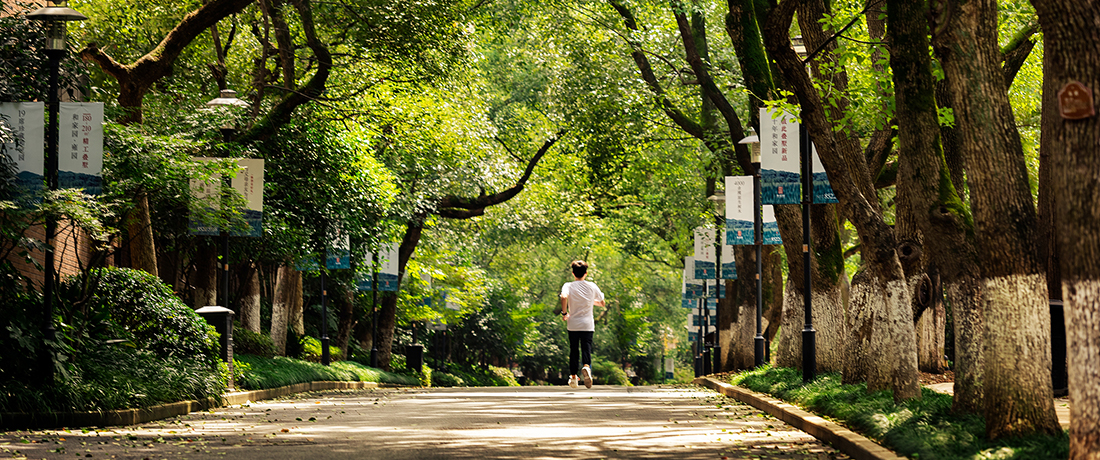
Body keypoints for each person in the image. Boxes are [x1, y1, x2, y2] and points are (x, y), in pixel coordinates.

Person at [560, 260, 605, 389]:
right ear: (586, 273)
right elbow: (602, 303)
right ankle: (586, 367)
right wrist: (590, 301)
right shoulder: (592, 286)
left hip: (573, 323)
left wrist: (565, 313)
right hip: (587, 324)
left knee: (574, 350)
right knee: (586, 348)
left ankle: (574, 378)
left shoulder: (568, 285)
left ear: (573, 273)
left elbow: (563, 297)